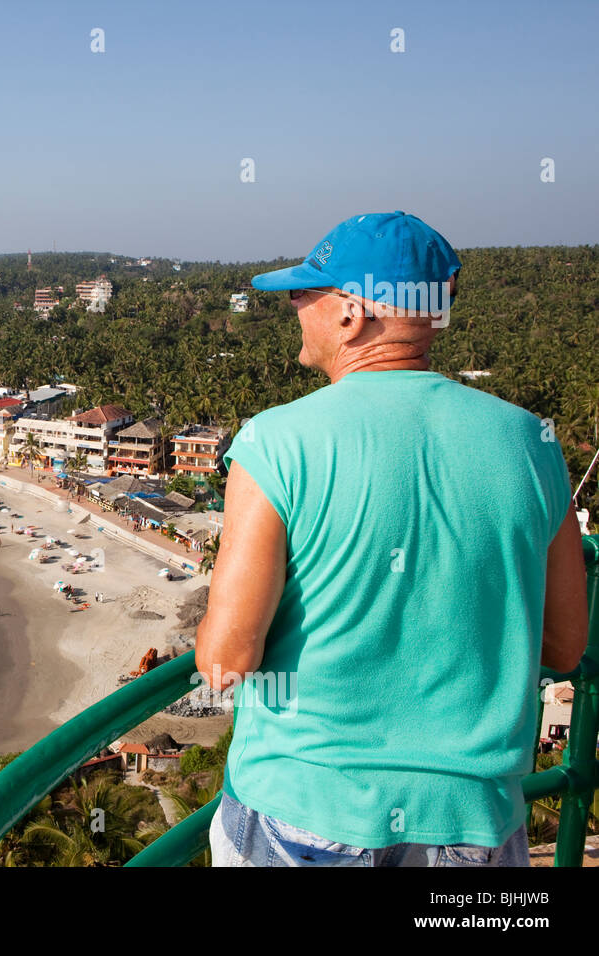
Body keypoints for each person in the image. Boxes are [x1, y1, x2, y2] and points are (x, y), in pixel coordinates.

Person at [198, 211, 589, 867]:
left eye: (306, 291)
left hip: (307, 809)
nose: (294, 304)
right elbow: (564, 644)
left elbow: (228, 659)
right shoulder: (532, 442)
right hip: (472, 821)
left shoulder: (276, 441)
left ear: (352, 314)